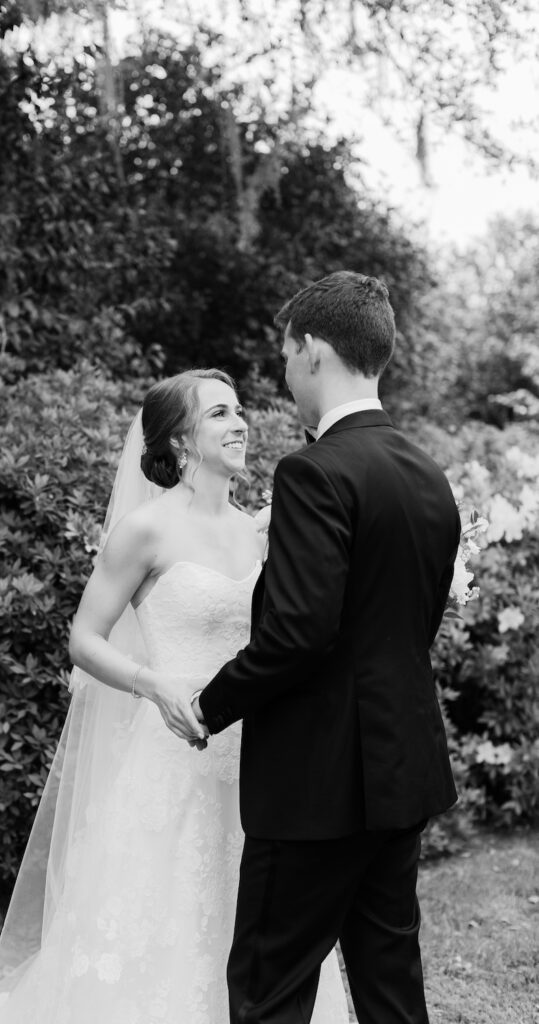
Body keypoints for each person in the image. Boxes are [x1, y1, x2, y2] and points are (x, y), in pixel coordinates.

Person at [0, 368, 349, 1023]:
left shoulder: (258, 530)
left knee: (256, 916)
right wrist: (152, 683)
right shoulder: (145, 530)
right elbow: (84, 639)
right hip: (171, 759)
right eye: (219, 414)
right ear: (179, 440)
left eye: (238, 411)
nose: (240, 424)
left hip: (256, 759)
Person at [186, 272, 461, 1024]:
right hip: (401, 771)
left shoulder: (313, 473)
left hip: (314, 785)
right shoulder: (427, 475)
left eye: (285, 356)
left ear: (312, 349)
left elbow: (297, 634)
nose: (284, 374)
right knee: (389, 983)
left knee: (269, 989)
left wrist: (207, 705)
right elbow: (411, 625)